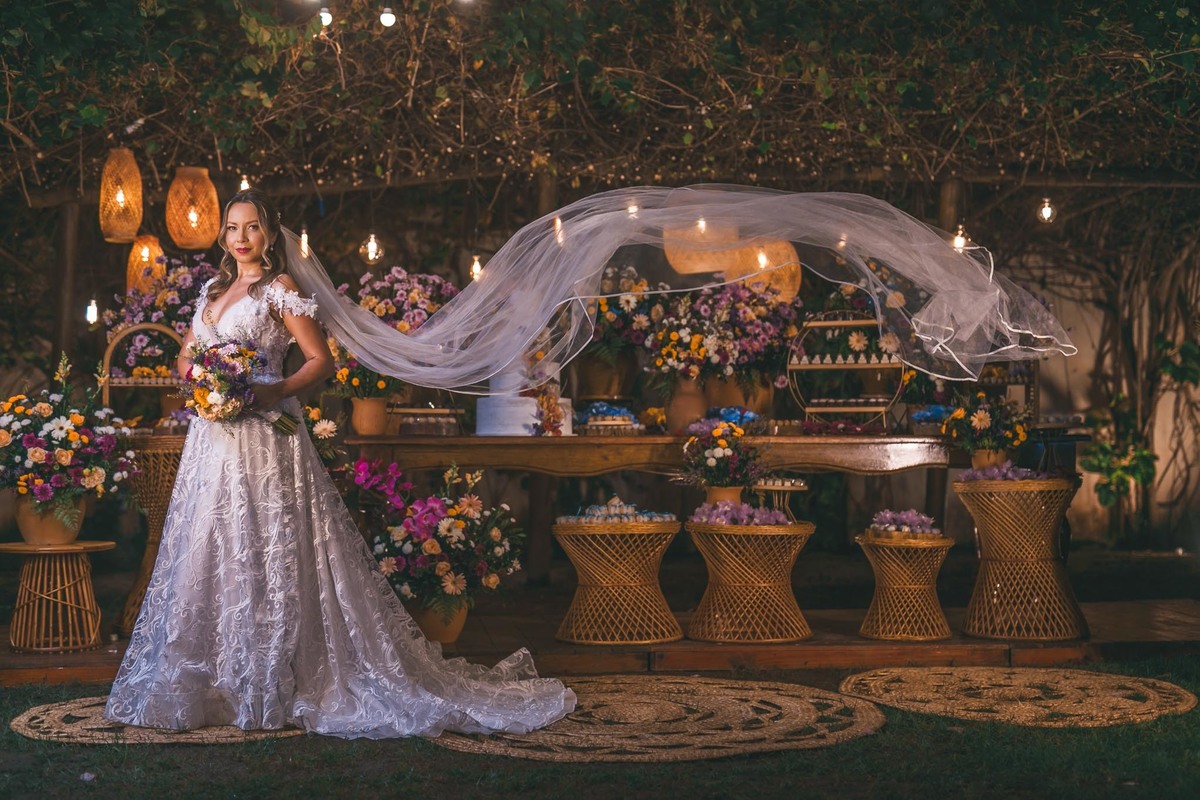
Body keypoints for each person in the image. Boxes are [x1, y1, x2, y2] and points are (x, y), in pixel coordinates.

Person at [104, 190, 576, 739]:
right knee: (210, 542)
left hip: (264, 436)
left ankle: (273, 677)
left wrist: (268, 389)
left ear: (269, 233)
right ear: (223, 236)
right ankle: (210, 680)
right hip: (212, 439)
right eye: (232, 227)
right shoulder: (212, 291)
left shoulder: (279, 290)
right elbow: (188, 354)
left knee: (267, 543)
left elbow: (319, 361)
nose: (240, 237)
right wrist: (204, 384)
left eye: (252, 227)